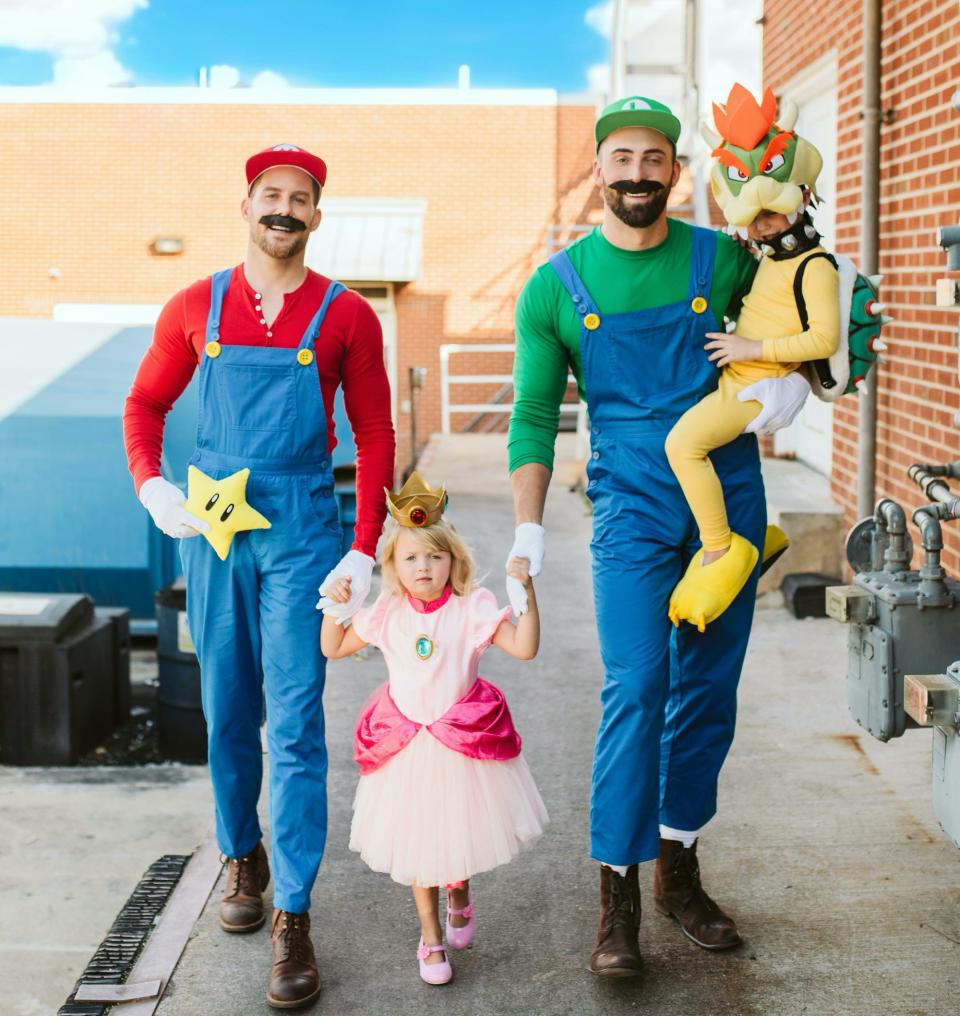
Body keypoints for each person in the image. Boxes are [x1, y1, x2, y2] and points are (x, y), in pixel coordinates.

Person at [506, 96, 811, 978]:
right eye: (622, 157)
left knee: (707, 689)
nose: (638, 173)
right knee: (637, 685)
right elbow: (532, 416)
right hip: (633, 503)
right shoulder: (554, 287)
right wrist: (527, 531)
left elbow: (816, 298)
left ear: (677, 172)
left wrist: (801, 381)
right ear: (599, 169)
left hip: (728, 498)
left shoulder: (725, 257)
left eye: (655, 159)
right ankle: (618, 893)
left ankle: (679, 868)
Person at [123, 143, 395, 1009]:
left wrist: (363, 545)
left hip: (305, 531)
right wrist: (153, 486)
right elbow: (144, 406)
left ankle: (294, 912)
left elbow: (377, 435)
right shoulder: (193, 305)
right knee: (226, 710)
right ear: (246, 206)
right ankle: (242, 853)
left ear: (318, 216)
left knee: (298, 722)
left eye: (301, 198)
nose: (284, 209)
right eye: (270, 195)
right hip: (215, 527)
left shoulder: (348, 315)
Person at [321, 472, 547, 985]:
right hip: (404, 747)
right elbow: (332, 647)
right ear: (394, 568)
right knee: (418, 844)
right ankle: (429, 936)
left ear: (453, 561)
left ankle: (460, 895)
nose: (424, 566)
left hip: (461, 743)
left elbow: (526, 647)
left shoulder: (472, 609)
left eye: (435, 556)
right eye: (411, 558)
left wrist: (527, 592)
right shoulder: (386, 613)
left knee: (456, 832)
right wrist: (340, 602)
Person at [665, 83, 839, 632]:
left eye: (773, 214)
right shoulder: (770, 257)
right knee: (707, 453)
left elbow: (823, 341)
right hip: (735, 379)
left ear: (801, 198)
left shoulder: (816, 266)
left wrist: (750, 348)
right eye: (755, 217)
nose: (764, 225)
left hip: (757, 386)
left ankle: (721, 550)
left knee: (683, 445)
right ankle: (756, 533)